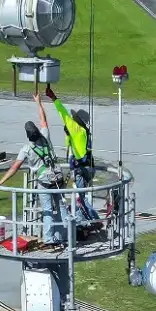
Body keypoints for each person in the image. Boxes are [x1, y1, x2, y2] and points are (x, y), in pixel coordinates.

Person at [0, 93, 69, 247]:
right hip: (57, 177)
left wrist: (0, 182)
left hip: (45, 182)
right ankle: (65, 235)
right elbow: (43, 119)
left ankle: (48, 239)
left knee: (47, 210)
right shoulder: (45, 138)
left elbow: (14, 167)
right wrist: (38, 102)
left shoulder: (26, 149)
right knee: (61, 207)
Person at [45, 84, 101, 225]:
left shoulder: (75, 130)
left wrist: (53, 98)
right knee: (81, 197)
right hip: (88, 166)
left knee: (80, 198)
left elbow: (63, 113)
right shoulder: (84, 132)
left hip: (81, 169)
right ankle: (90, 219)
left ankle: (93, 221)